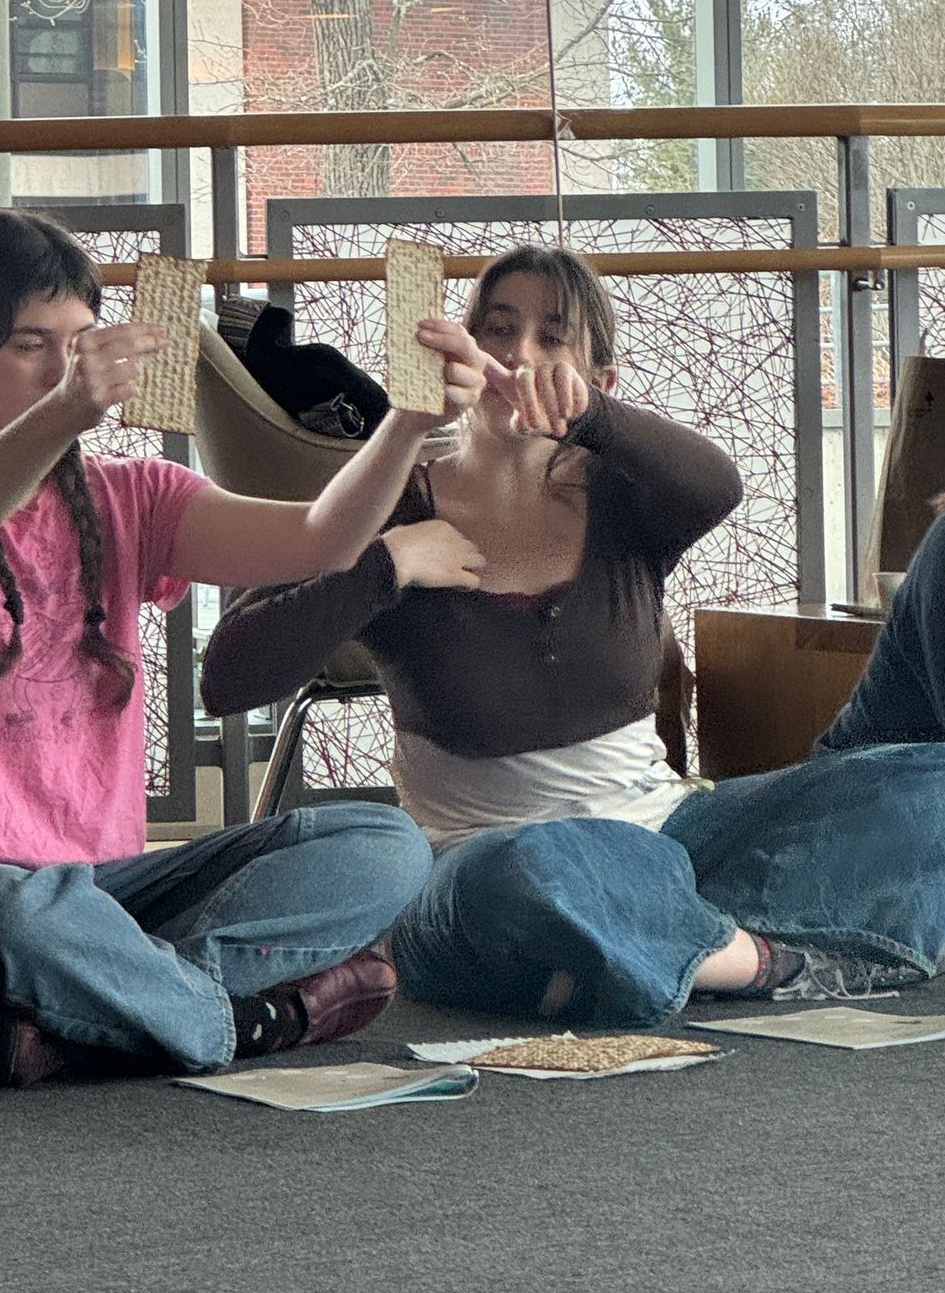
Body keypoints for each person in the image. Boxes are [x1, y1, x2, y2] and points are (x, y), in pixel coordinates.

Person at [0, 209, 505, 1088]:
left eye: (80, 342)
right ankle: (234, 1020)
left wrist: (405, 423)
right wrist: (65, 410)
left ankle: (97, 1011)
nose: (62, 369)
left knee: (383, 844)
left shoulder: (134, 497)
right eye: (27, 345)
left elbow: (323, 539)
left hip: (98, 902)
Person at [202, 243, 945, 1030]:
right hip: (482, 863)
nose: (519, 354)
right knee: (537, 868)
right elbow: (228, 678)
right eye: (498, 328)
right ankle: (763, 959)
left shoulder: (626, 502)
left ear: (601, 381)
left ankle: (653, 946)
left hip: (672, 834)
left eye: (553, 338)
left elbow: (719, 485)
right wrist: (383, 568)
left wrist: (592, 419)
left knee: (923, 787)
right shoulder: (392, 504)